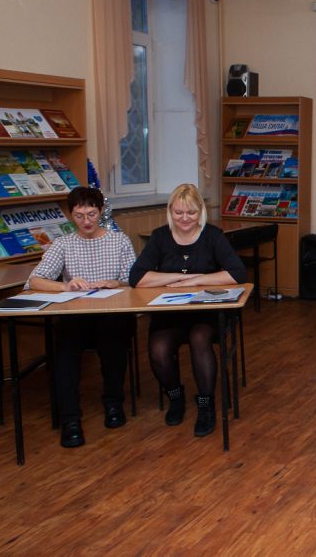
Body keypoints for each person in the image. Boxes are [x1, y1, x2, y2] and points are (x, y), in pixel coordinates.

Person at [129, 184, 247, 437]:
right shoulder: (160, 237)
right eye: (178, 212)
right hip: (170, 313)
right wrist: (176, 277)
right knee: (158, 348)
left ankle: (205, 404)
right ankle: (176, 397)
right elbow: (137, 277)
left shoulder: (213, 236)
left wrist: (196, 280)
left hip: (206, 313)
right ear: (170, 211)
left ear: (201, 211)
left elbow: (238, 273)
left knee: (199, 338)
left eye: (191, 213)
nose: (184, 218)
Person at [25, 186, 137, 448]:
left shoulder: (119, 241)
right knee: (64, 348)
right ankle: (70, 419)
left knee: (113, 339)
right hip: (76, 316)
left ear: (101, 211)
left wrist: (115, 283)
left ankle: (113, 403)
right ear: (70, 215)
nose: (86, 221)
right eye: (79, 216)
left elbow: (135, 280)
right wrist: (66, 286)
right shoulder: (63, 244)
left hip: (111, 313)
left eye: (91, 214)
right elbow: (34, 280)